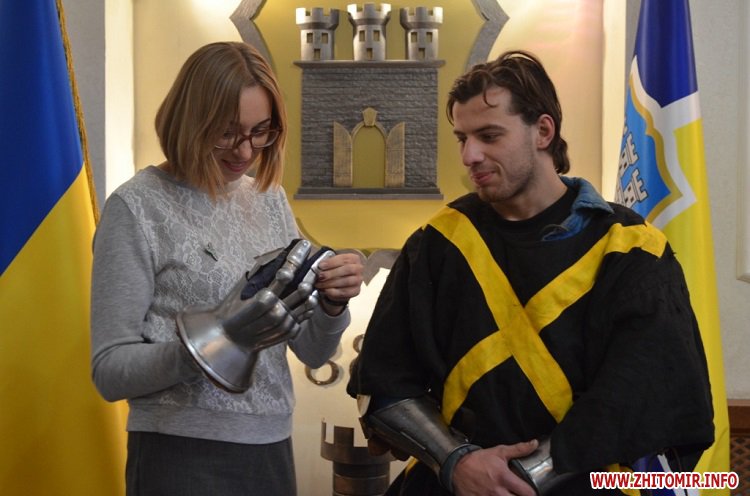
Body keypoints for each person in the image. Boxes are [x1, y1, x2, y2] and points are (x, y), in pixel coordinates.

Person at [347, 50, 714, 496]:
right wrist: (457, 462)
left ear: (543, 131)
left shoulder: (629, 249)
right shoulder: (439, 242)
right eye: (462, 138)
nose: (470, 155)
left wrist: (525, 477)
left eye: (489, 135)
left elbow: (645, 393)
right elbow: (383, 379)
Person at [91, 41, 364, 496]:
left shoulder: (268, 199)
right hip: (179, 453)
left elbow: (313, 353)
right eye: (227, 132)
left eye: (261, 131)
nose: (245, 151)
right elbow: (110, 370)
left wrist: (333, 304)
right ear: (189, 120)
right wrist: (213, 346)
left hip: (270, 446)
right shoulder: (137, 207)